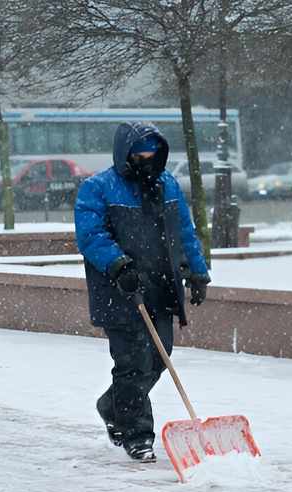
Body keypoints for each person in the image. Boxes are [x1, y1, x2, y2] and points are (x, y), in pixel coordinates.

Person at [74, 122, 210, 462]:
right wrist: (119, 265)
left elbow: (184, 232)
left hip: (161, 287)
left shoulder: (168, 185)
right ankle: (137, 434)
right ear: (125, 153)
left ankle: (112, 405)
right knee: (132, 362)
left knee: (159, 356)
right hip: (121, 290)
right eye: (140, 152)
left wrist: (197, 271)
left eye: (152, 151)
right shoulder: (98, 188)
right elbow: (90, 236)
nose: (147, 158)